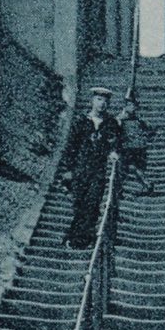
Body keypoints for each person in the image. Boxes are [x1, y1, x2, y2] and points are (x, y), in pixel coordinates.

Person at [62, 87, 121, 249]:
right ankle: (74, 235)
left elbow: (116, 141)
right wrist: (68, 170)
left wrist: (113, 151)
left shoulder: (111, 123)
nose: (102, 104)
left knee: (93, 203)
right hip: (80, 169)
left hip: (98, 170)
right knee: (79, 204)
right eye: (99, 100)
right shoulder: (81, 121)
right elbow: (71, 146)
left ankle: (82, 239)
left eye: (105, 101)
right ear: (92, 101)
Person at [116, 96, 156, 195]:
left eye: (134, 105)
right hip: (127, 147)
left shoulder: (139, 120)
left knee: (130, 168)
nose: (132, 107)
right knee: (127, 168)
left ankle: (146, 184)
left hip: (135, 148)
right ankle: (146, 184)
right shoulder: (121, 119)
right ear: (125, 107)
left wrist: (146, 138)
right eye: (129, 105)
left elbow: (152, 129)